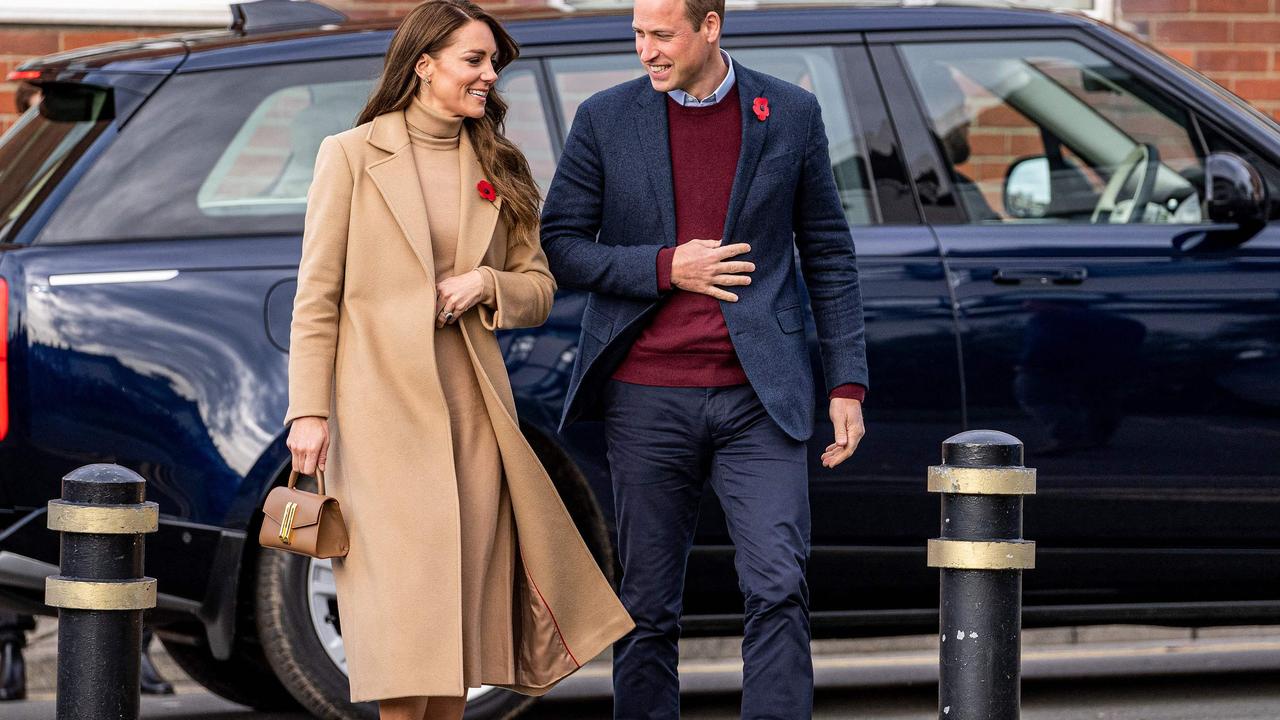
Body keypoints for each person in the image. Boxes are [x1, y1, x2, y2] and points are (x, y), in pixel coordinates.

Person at [283, 2, 633, 719]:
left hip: (471, 419)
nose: (489, 74)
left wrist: (487, 283)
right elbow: (316, 296)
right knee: (401, 635)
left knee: (456, 638)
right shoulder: (350, 156)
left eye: (492, 62)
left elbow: (538, 288)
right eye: (474, 60)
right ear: (424, 66)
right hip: (379, 421)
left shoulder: (499, 164)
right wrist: (308, 413)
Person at [540, 0, 868, 717]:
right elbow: (560, 243)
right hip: (646, 394)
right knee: (647, 602)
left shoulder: (788, 112)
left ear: (711, 27)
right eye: (637, 35)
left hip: (760, 396)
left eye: (662, 35)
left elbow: (829, 252)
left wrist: (847, 381)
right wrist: (665, 268)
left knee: (779, 585)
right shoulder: (605, 118)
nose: (646, 51)